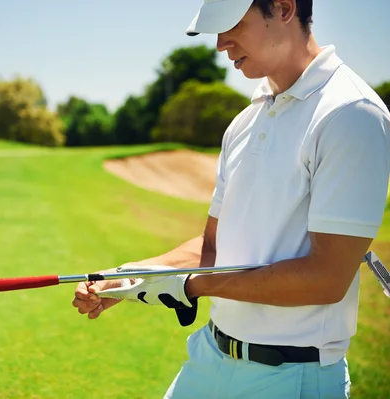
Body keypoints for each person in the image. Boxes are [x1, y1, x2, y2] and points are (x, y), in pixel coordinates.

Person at [71, 0, 390, 398]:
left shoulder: (351, 114)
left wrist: (192, 286)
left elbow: (327, 278)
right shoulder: (244, 121)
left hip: (292, 377)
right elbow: (212, 246)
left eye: (233, 24)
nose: (221, 43)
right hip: (209, 359)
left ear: (285, 8)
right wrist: (130, 275)